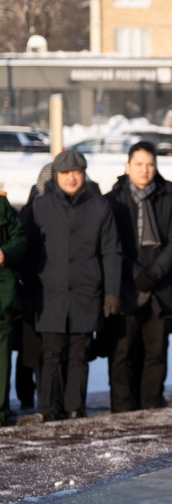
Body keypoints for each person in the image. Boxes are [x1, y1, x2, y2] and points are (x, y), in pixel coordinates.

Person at [23, 150, 121, 420]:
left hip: (86, 293)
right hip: (49, 294)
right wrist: (29, 293)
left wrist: (111, 293)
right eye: (65, 173)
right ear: (56, 175)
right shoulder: (40, 206)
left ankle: (75, 407)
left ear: (83, 174)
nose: (71, 178)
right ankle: (48, 408)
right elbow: (30, 253)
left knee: (79, 353)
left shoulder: (100, 206)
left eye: (76, 172)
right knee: (51, 353)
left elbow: (112, 252)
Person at [105, 141, 172, 412]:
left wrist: (155, 272)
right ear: (127, 167)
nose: (145, 169)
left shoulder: (167, 199)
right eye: (139, 164)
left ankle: (151, 404)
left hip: (159, 286)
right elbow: (110, 245)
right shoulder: (113, 201)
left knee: (156, 352)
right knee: (123, 353)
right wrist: (136, 272)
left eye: (150, 164)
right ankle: (123, 408)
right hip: (126, 286)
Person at [0, 190, 28, 426]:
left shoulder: (1, 204)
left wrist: (5, 253)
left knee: (2, 357)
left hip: (2, 294)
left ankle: (0, 410)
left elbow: (20, 239)